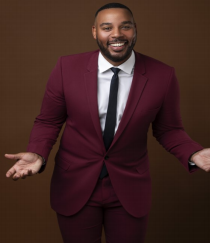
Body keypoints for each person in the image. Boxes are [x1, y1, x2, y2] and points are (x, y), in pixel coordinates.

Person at [5, 3, 210, 243]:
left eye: (125, 26)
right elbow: (49, 121)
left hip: (129, 188)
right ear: (94, 31)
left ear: (135, 30)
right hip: (75, 184)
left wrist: (193, 153)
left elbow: (169, 130)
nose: (116, 34)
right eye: (107, 27)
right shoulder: (66, 68)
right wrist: (38, 154)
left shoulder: (163, 75)